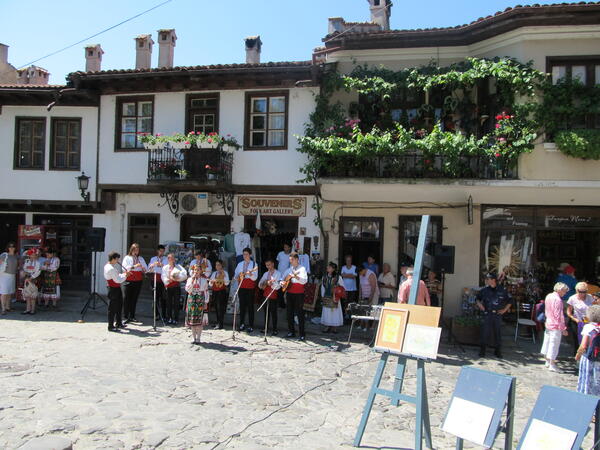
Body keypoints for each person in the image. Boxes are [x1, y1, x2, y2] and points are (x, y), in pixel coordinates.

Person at [476, 273, 511, 358]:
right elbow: (477, 299)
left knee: (497, 333)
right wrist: (480, 306)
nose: (486, 280)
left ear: (493, 280)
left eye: (488, 279)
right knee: (485, 332)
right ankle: (482, 350)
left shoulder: (502, 290)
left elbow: (510, 301)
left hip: (497, 314)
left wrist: (504, 310)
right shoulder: (484, 290)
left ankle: (497, 351)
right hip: (487, 313)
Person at [540, 282, 569, 372]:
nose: (565, 293)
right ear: (560, 290)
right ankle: (552, 363)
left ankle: (547, 361)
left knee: (547, 342)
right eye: (564, 291)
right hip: (555, 325)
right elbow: (559, 316)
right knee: (554, 344)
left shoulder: (549, 296)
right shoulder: (558, 300)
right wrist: (563, 328)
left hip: (548, 322)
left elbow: (546, 310)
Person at [282, 252, 308, 340]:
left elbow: (304, 281)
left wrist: (296, 277)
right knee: (289, 313)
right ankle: (291, 332)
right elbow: (282, 279)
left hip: (299, 294)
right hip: (289, 293)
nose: (291, 262)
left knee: (300, 314)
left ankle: (302, 334)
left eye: (292, 260)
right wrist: (282, 282)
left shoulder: (302, 269)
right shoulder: (289, 269)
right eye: (290, 260)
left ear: (297, 259)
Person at [576, 305, 600, 396]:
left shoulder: (588, 327)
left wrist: (578, 355)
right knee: (597, 380)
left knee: (588, 379)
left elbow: (583, 345)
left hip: (588, 358)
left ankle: (586, 397)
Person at [103, 251, 129, 332]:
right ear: (113, 259)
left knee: (119, 305)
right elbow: (118, 280)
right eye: (117, 259)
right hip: (113, 289)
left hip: (116, 288)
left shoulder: (110, 266)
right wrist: (126, 275)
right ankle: (110, 326)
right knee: (112, 308)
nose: (118, 261)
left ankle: (119, 322)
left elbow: (118, 276)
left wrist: (124, 274)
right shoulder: (110, 268)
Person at [122, 243, 148, 323]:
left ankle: (132, 316)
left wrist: (143, 268)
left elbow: (146, 269)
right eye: (135, 250)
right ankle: (126, 316)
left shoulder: (140, 258)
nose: (136, 251)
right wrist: (134, 266)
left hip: (138, 280)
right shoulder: (127, 258)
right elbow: (124, 269)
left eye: (137, 250)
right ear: (131, 250)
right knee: (127, 298)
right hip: (129, 280)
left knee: (134, 299)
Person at [185, 265, 211, 344]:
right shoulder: (190, 279)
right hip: (192, 301)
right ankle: (194, 338)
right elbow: (188, 289)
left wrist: (206, 302)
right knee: (192, 320)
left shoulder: (203, 280)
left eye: (198, 270)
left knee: (199, 320)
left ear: (201, 271)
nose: (196, 271)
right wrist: (192, 280)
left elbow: (206, 291)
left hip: (200, 301)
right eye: (195, 270)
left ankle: (198, 338)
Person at [234, 248, 258, 332]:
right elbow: (235, 275)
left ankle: (251, 325)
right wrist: (238, 276)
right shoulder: (240, 264)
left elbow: (255, 278)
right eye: (244, 254)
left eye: (247, 254)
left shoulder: (254, 264)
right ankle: (242, 324)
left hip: (250, 287)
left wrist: (250, 274)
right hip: (241, 286)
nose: (245, 256)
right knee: (242, 306)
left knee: (250, 306)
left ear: (250, 255)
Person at [161, 253, 187, 325]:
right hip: (169, 287)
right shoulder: (165, 267)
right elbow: (163, 276)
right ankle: (169, 318)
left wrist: (178, 278)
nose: (171, 259)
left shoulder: (178, 266)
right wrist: (167, 280)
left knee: (176, 303)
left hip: (176, 287)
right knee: (168, 303)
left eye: (172, 258)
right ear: (168, 259)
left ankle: (176, 318)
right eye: (170, 258)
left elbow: (184, 274)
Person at [258, 258, 282, 335]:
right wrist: (265, 283)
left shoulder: (278, 273)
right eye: (266, 265)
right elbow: (260, 284)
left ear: (273, 264)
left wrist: (271, 284)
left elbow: (278, 285)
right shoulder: (265, 274)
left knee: (273, 313)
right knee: (266, 312)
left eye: (269, 265)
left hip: (273, 295)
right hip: (265, 294)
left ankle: (275, 329)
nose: (268, 267)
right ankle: (266, 328)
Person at [319, 262, 344, 334]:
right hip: (327, 296)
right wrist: (322, 296)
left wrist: (337, 291)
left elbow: (342, 287)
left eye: (329, 267)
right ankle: (327, 326)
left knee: (334, 312)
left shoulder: (338, 277)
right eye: (328, 267)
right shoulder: (324, 277)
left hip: (335, 297)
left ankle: (334, 327)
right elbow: (323, 287)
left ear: (333, 269)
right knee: (327, 311)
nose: (327, 268)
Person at [567, 281, 594, 346]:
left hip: (588, 320)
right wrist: (575, 319)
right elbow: (569, 312)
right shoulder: (572, 298)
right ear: (576, 290)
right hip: (577, 321)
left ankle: (586, 354)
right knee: (577, 339)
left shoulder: (590, 297)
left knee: (587, 339)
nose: (582, 293)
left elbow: (595, 308)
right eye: (580, 291)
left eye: (584, 292)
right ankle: (577, 354)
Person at [148, 245, 168, 320]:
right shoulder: (153, 259)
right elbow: (148, 268)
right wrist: (153, 265)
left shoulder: (166, 259)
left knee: (163, 298)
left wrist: (162, 265)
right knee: (155, 298)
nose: (162, 252)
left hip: (163, 281)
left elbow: (167, 268)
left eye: (163, 251)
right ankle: (156, 315)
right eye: (160, 251)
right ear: (157, 251)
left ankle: (163, 315)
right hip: (155, 280)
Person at [209, 260, 230, 330]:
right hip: (215, 291)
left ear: (221, 265)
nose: (217, 266)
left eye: (218, 265)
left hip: (221, 291)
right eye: (216, 265)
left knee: (220, 308)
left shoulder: (225, 273)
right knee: (216, 307)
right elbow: (210, 283)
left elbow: (227, 283)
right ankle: (218, 322)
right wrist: (212, 281)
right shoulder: (214, 273)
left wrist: (221, 278)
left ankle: (220, 324)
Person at [358, 266, 379, 331]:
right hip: (365, 295)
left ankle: (372, 326)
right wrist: (360, 296)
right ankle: (363, 325)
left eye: (360, 273)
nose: (360, 275)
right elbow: (360, 286)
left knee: (374, 309)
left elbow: (373, 287)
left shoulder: (371, 274)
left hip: (373, 294)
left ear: (363, 270)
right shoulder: (361, 274)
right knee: (364, 310)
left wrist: (371, 297)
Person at [0, 242, 18, 315]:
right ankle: (3, 309)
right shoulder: (4, 255)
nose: (11, 248)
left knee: (9, 292)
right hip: (4, 275)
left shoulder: (15, 256)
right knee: (4, 292)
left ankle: (7, 307)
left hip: (12, 275)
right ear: (7, 248)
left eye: (13, 246)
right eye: (10, 247)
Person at [341, 255, 358, 319]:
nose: (348, 261)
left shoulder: (354, 267)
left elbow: (354, 276)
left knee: (351, 303)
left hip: (352, 289)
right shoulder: (343, 267)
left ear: (351, 261)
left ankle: (351, 316)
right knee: (345, 303)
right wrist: (350, 274)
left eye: (349, 260)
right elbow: (342, 275)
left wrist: (346, 275)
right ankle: (345, 316)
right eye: (347, 260)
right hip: (345, 289)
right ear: (345, 261)